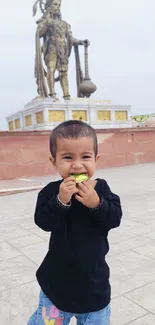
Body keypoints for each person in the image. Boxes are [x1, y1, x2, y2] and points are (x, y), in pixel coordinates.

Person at [27, 120, 122, 325]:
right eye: (67, 157)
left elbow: (115, 218)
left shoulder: (102, 189)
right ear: (54, 162)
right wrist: (60, 201)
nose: (77, 165)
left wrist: (97, 204)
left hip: (93, 286)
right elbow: (43, 221)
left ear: (96, 159)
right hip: (56, 285)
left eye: (86, 157)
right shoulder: (51, 192)